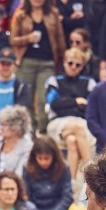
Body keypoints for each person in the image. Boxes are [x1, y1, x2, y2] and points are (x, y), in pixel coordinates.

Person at [10, 0, 67, 132]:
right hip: (25, 62)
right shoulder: (21, 14)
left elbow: (60, 38)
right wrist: (28, 38)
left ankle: (44, 130)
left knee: (43, 98)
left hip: (47, 62)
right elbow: (13, 39)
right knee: (26, 98)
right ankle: (30, 130)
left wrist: (63, 58)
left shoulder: (53, 13)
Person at [43, 46, 96, 179]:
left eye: (77, 65)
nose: (73, 67)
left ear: (82, 66)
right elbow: (54, 104)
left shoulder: (89, 83)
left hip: (82, 123)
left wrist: (66, 103)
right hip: (58, 122)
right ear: (64, 63)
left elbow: (91, 107)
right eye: (70, 63)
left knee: (72, 140)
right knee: (77, 128)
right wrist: (76, 102)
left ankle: (70, 183)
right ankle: (92, 173)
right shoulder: (54, 81)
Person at [22, 136, 73, 210]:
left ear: (54, 156)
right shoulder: (27, 169)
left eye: (46, 158)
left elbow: (67, 197)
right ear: (34, 157)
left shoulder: (64, 168)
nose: (43, 162)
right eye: (40, 158)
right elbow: (26, 197)